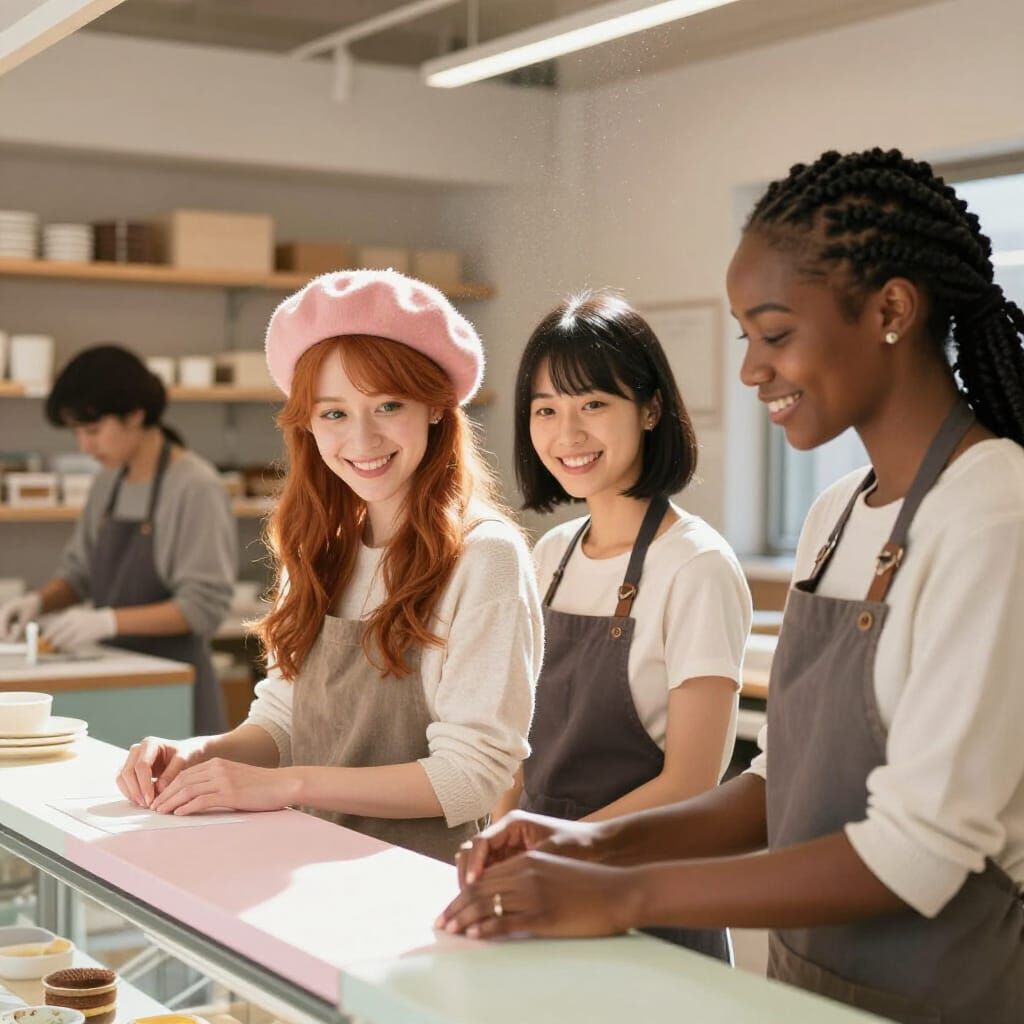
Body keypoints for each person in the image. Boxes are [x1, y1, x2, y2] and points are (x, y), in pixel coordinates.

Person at [437, 149, 1024, 1023]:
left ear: (892, 309)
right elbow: (781, 784)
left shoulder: (995, 511)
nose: (750, 370)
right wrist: (586, 842)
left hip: (948, 995)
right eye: (747, 336)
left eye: (776, 333)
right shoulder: (836, 514)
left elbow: (919, 853)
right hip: (807, 987)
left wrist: (623, 896)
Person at [116, 269, 542, 863]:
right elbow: (286, 720)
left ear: (436, 409)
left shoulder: (484, 556)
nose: (361, 439)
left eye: (388, 405)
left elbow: (473, 776)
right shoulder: (321, 546)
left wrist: (287, 785)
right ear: (308, 424)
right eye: (333, 413)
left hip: (414, 886)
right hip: (306, 864)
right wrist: (200, 754)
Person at [491, 291, 750, 961]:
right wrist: (501, 834)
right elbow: (522, 743)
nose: (567, 435)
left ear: (651, 408)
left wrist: (557, 850)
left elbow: (692, 782)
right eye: (546, 409)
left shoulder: (696, 566)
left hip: (647, 893)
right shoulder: (550, 556)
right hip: (540, 887)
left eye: (593, 405)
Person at [0, 345, 235, 734]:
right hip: (116, 674)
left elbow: (202, 607)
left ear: (136, 415)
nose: (84, 447)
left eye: (93, 431)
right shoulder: (109, 481)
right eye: (77, 432)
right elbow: (80, 574)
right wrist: (38, 602)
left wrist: (107, 620)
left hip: (174, 684)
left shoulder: (195, 486)